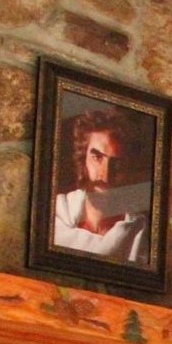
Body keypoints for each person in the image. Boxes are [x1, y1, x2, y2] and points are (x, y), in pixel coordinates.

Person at [52, 107, 152, 264]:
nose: (104, 175)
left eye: (117, 163)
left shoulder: (141, 236)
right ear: (83, 159)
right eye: (97, 157)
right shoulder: (55, 214)